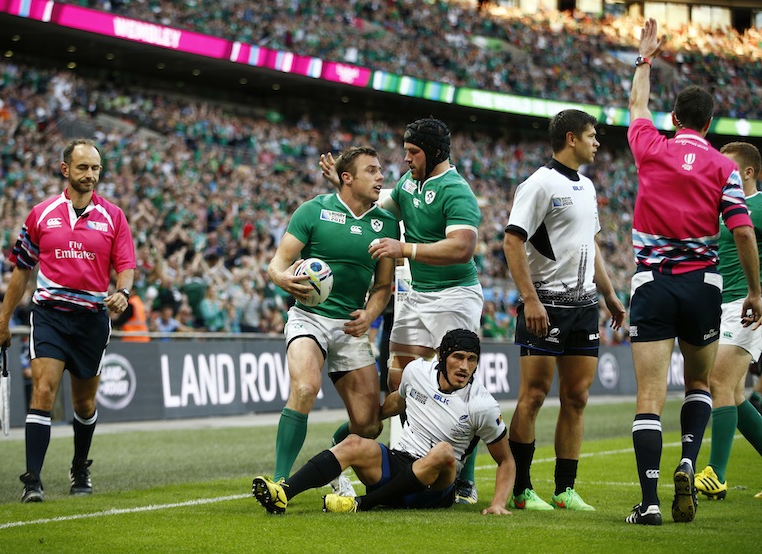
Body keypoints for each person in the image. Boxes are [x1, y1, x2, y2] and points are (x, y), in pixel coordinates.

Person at [625, 19, 762, 526]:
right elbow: (743, 232)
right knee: (699, 383)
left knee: (648, 397)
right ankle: (688, 458)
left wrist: (645, 59)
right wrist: (754, 290)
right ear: (707, 125)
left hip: (653, 283)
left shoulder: (651, 147)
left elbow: (638, 108)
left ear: (676, 117)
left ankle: (651, 502)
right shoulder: (724, 168)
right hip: (703, 285)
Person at [321, 117, 484, 504]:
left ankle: (464, 479)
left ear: (434, 153)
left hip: (454, 294)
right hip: (414, 297)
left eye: (413, 153)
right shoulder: (410, 186)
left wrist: (405, 249)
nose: (406, 159)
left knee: (457, 385)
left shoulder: (457, 191)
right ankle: (396, 455)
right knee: (400, 384)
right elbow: (372, 204)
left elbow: (462, 248)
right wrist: (341, 182)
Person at [0, 138, 136, 503]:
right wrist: (3, 321)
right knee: (42, 391)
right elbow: (21, 272)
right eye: (83, 167)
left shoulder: (114, 216)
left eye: (96, 168)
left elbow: (127, 266)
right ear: (65, 169)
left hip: (91, 320)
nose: (90, 175)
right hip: (50, 316)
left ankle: (79, 466)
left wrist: (123, 293)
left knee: (84, 405)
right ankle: (32, 480)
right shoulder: (41, 213)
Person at [503, 109, 626, 512]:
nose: (597, 143)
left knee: (577, 397)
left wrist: (608, 294)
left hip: (585, 306)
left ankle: (564, 490)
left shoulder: (588, 187)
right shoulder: (538, 184)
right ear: (571, 138)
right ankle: (521, 490)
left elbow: (590, 247)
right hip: (546, 305)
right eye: (592, 136)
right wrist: (531, 299)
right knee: (534, 395)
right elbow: (511, 242)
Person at [252, 329, 515, 515]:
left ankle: (359, 503)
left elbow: (506, 460)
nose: (464, 366)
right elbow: (394, 404)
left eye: (472, 359)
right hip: (398, 464)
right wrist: (367, 420)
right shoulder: (416, 372)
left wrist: (498, 503)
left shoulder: (482, 404)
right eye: (458, 356)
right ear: (442, 356)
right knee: (354, 442)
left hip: (435, 487)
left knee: (444, 451)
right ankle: (283, 493)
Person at [266, 146, 399, 487]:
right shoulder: (313, 211)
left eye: (380, 169)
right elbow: (277, 262)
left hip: (351, 326)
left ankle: (333, 454)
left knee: (369, 425)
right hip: (308, 317)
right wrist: (281, 278)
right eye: (372, 170)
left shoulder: (384, 223)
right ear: (347, 178)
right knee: (306, 387)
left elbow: (384, 286)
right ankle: (280, 482)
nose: (380, 176)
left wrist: (369, 315)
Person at [694, 142, 762, 500]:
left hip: (749, 306)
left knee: (718, 381)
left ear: (748, 172)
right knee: (734, 394)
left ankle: (716, 475)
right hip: (719, 304)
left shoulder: (760, 207)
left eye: (728, 167)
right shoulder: (720, 210)